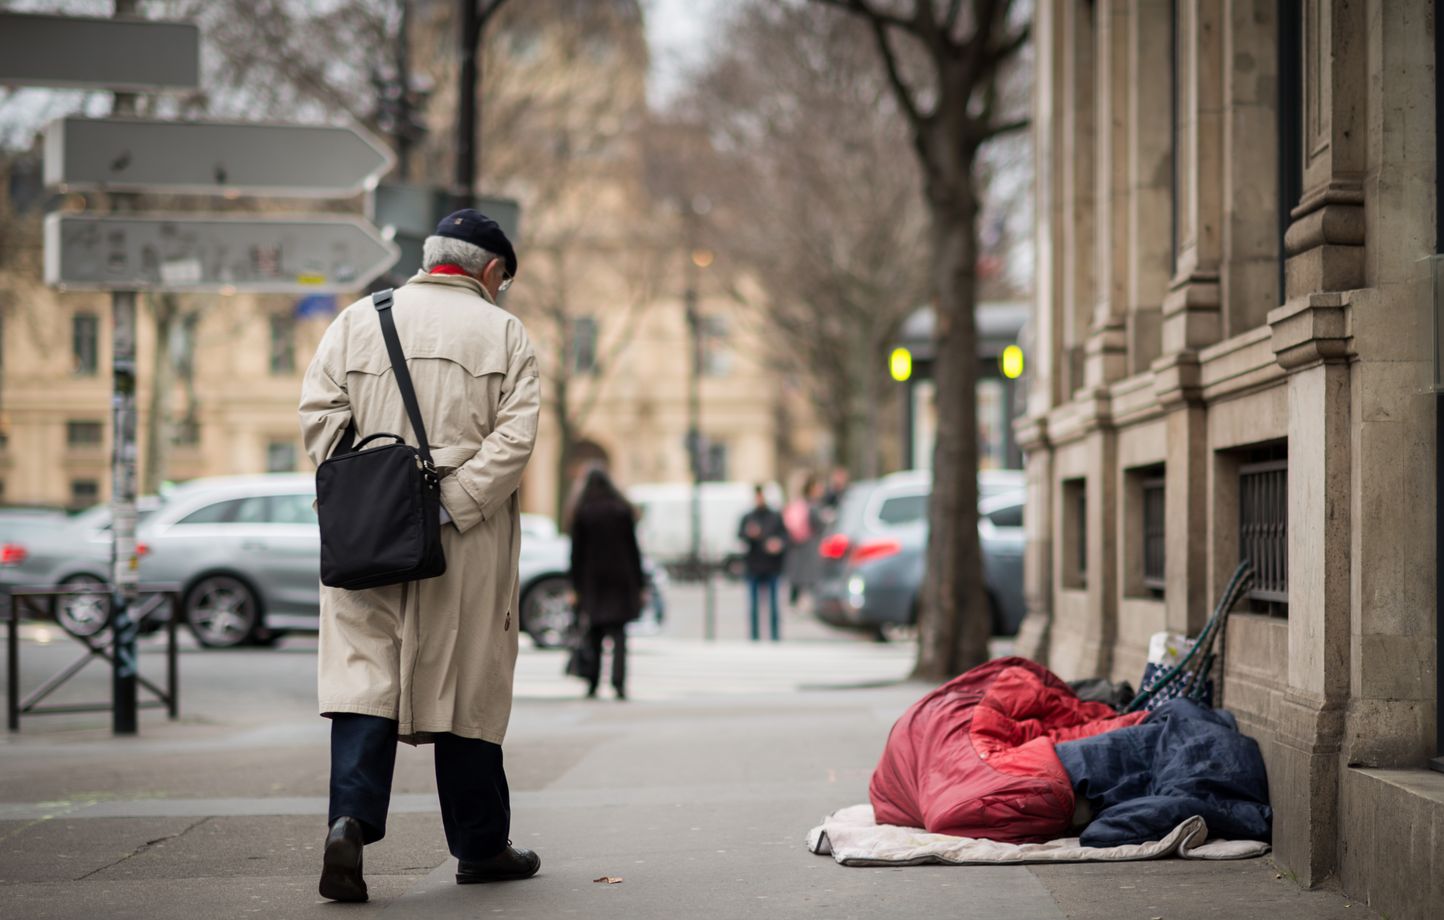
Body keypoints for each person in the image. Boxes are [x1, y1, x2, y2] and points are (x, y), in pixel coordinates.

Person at [299, 209, 541, 902]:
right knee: (465, 681)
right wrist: (450, 503)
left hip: (368, 531)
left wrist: (382, 493)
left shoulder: (357, 320)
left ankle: (349, 821)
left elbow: (319, 417)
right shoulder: (504, 331)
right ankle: (481, 845)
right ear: (492, 272)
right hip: (464, 539)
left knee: (363, 674)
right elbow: (515, 440)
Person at [568, 467, 645, 701]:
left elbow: (576, 554)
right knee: (619, 634)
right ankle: (619, 684)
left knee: (594, 632)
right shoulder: (622, 511)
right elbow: (634, 551)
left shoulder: (583, 512)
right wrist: (641, 584)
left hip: (593, 580)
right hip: (621, 580)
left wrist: (574, 586)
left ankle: (592, 683)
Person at [738, 485, 788, 641]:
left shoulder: (775, 516)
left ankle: (775, 635)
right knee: (753, 605)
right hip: (754, 565)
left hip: (772, 565)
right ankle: (754, 635)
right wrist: (749, 534)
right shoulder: (748, 517)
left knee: (774, 605)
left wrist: (778, 544)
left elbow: (785, 537)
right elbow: (740, 535)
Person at [783, 474, 826, 607]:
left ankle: (795, 599)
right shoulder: (813, 506)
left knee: (799, 574)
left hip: (799, 545)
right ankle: (811, 601)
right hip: (810, 545)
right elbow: (819, 525)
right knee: (810, 574)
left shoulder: (800, 504)